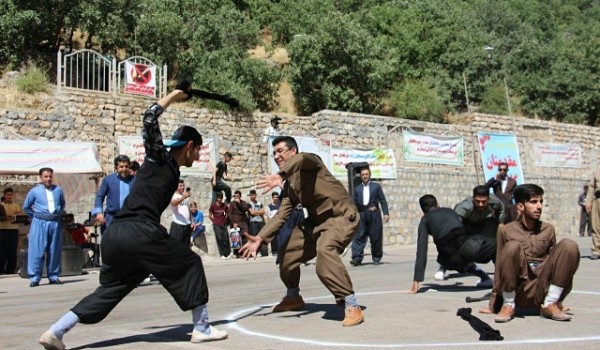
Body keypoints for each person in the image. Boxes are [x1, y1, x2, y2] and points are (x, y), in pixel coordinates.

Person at [38, 82, 228, 350]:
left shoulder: (167, 167)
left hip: (116, 235)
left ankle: (56, 330)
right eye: (197, 150)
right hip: (139, 230)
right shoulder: (160, 158)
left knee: (113, 288)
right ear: (189, 146)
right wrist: (175, 94)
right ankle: (202, 327)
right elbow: (149, 118)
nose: (198, 157)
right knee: (190, 263)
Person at [239, 135, 364, 327]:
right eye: (274, 154)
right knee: (286, 254)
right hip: (316, 223)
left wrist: (279, 175)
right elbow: (281, 215)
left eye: (281, 151)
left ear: (293, 151)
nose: (277, 156)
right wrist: (260, 238)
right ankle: (293, 296)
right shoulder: (291, 187)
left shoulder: (312, 162)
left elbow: (303, 159)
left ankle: (351, 304)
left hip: (341, 216)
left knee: (325, 252)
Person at [483, 184, 579, 323]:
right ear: (520, 207)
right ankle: (508, 304)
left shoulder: (548, 229)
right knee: (512, 246)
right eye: (533, 202)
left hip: (542, 285)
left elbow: (558, 265)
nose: (539, 206)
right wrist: (493, 304)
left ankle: (550, 304)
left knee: (569, 246)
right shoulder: (505, 231)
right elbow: (499, 267)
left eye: (541, 202)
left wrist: (559, 301)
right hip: (520, 287)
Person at [407, 195, 495, 294]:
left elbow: (421, 250)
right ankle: (499, 280)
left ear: (423, 210)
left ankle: (485, 278)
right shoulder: (450, 211)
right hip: (470, 246)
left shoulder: (425, 220)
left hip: (451, 259)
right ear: (437, 204)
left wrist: (416, 279)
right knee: (497, 247)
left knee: (452, 259)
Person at [23, 167, 66, 287]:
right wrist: (35, 216)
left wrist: (56, 213)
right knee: (37, 250)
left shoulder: (58, 190)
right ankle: (35, 277)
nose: (48, 179)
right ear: (41, 177)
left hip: (54, 223)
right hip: (39, 222)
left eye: (50, 176)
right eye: (46, 176)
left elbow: (62, 204)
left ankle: (53, 276)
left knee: (54, 250)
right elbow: (26, 206)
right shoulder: (34, 191)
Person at [350, 167, 390, 266]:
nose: (365, 176)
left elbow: (382, 200)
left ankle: (376, 257)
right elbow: (353, 202)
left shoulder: (376, 187)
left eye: (366, 174)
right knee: (359, 236)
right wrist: (352, 214)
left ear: (369, 175)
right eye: (363, 175)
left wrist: (386, 213)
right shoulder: (357, 188)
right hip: (362, 214)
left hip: (374, 214)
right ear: (361, 176)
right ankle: (357, 258)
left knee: (376, 236)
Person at [92, 155, 135, 232]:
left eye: (126, 166)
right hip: (112, 219)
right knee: (110, 243)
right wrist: (99, 213)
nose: (124, 169)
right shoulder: (108, 180)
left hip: (130, 219)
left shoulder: (135, 180)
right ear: (116, 168)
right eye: (121, 167)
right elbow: (99, 197)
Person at [0, 187, 23, 274]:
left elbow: (18, 215)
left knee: (12, 251)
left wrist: (8, 216)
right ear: (4, 195)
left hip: (13, 230)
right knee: (2, 251)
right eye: (8, 195)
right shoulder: (1, 205)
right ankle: (1, 269)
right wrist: (9, 216)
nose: (9, 196)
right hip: (2, 230)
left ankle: (11, 269)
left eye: (11, 195)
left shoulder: (16, 205)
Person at [169, 179, 192, 246]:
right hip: (178, 225)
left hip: (187, 225)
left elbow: (188, 209)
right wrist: (183, 197)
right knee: (176, 246)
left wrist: (192, 221)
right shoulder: (174, 195)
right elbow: (174, 203)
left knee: (186, 246)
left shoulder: (184, 197)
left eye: (183, 185)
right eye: (180, 186)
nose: (182, 187)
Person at [209, 192, 231, 259]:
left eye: (221, 198)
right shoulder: (213, 206)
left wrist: (225, 218)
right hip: (216, 224)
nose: (219, 200)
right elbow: (210, 214)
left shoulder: (224, 205)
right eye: (218, 198)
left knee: (226, 238)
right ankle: (222, 254)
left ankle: (227, 253)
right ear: (216, 198)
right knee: (219, 238)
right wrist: (214, 221)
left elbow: (227, 212)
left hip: (223, 223)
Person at [228, 190, 250, 257]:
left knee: (245, 237)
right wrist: (233, 222)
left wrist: (239, 203)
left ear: (240, 196)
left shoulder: (243, 203)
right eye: (235, 196)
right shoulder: (232, 204)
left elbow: (245, 209)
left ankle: (244, 252)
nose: (236, 197)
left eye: (238, 196)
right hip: (235, 222)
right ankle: (237, 253)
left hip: (243, 222)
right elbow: (229, 213)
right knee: (236, 238)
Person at [247, 189, 268, 257]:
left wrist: (256, 212)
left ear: (256, 195)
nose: (253, 196)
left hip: (260, 222)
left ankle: (262, 252)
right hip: (253, 222)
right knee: (254, 237)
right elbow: (251, 212)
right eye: (252, 195)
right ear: (250, 196)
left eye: (254, 195)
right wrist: (259, 212)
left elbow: (263, 212)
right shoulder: (249, 204)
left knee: (260, 237)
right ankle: (255, 252)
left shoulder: (259, 203)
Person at [585, 172, 600, 260]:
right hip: (598, 200)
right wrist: (588, 202)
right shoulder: (597, 172)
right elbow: (591, 188)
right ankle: (596, 251)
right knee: (596, 226)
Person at [265, 191, 281, 256]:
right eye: (274, 197)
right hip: (273, 223)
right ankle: (274, 251)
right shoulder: (269, 206)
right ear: (272, 198)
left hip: (279, 223)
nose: (275, 198)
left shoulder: (280, 206)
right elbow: (268, 216)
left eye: (276, 197)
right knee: (273, 238)